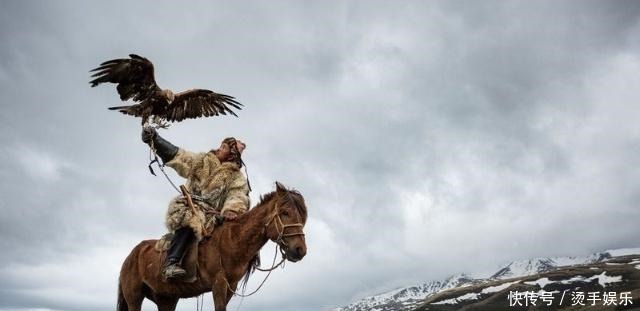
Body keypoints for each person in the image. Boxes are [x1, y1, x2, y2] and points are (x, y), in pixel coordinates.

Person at [142, 127, 251, 279]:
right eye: (223, 145)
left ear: (232, 156)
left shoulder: (236, 177)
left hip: (214, 215)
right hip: (189, 205)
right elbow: (180, 157)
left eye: (226, 148)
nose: (221, 148)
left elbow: (237, 194)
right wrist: (156, 141)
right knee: (192, 220)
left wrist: (231, 210)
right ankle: (171, 263)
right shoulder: (202, 161)